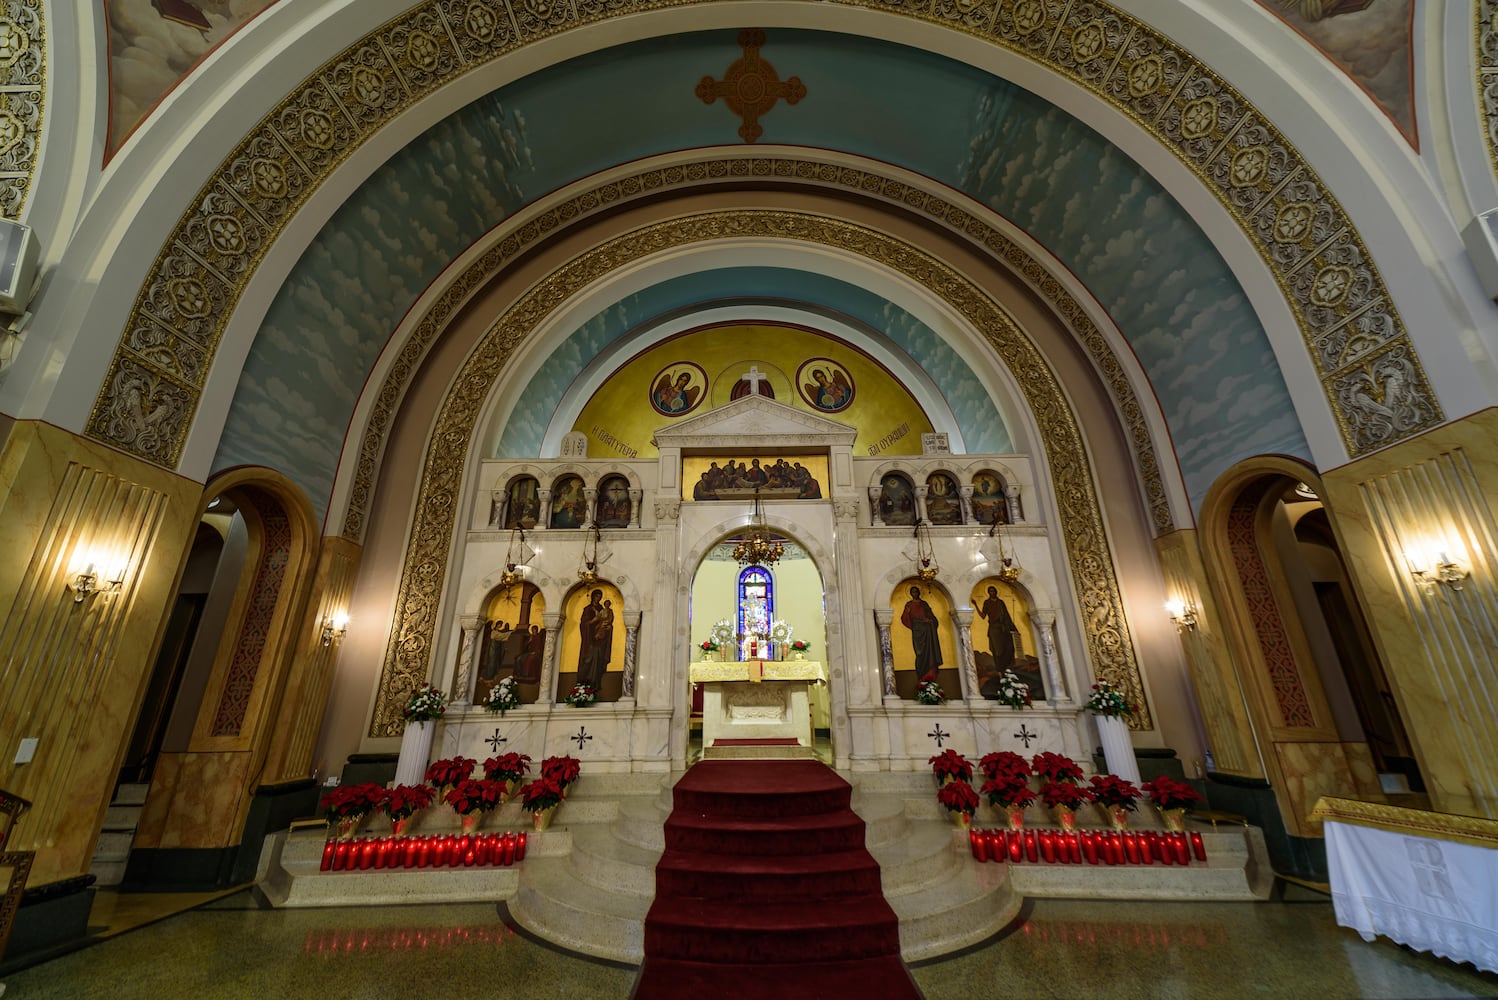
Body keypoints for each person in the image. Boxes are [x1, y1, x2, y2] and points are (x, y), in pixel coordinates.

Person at [900, 585, 943, 680]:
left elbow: (933, 618)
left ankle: (931, 675)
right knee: (920, 653)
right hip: (917, 631)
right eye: (913, 592)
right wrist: (907, 613)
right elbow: (904, 619)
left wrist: (929, 620)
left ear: (919, 592)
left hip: (928, 631)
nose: (914, 594)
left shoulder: (924, 604)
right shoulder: (909, 605)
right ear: (910, 594)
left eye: (916, 591)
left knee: (930, 651)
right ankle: (921, 675)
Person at [576, 589, 612, 688]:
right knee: (588, 659)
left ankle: (596, 683)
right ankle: (583, 684)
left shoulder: (602, 609)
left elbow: (607, 621)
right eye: (597, 596)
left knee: (599, 658)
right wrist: (593, 621)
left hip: (600, 640)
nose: (598, 598)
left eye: (600, 597)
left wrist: (608, 628)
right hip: (589, 640)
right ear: (593, 597)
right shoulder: (587, 609)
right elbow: (583, 624)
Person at [977, 585, 1017, 670]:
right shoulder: (987, 603)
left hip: (1004, 627)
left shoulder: (1001, 602)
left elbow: (1006, 615)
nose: (992, 593)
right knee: (998, 649)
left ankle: (1008, 667)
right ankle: (1000, 667)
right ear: (988, 593)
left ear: (996, 592)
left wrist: (1012, 627)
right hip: (994, 629)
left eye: (993, 591)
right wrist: (976, 605)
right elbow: (983, 616)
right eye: (990, 591)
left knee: (1008, 646)